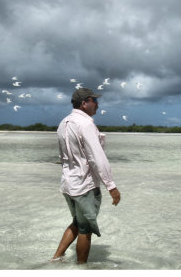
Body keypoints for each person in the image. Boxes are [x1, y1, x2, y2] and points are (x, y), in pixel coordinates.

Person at [52, 87, 121, 264]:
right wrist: (111, 186)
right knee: (85, 229)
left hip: (68, 184)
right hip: (84, 186)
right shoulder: (86, 124)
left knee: (77, 222)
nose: (97, 104)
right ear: (84, 103)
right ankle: (81, 269)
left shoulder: (63, 123)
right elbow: (97, 157)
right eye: (94, 100)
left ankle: (55, 259)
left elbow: (64, 157)